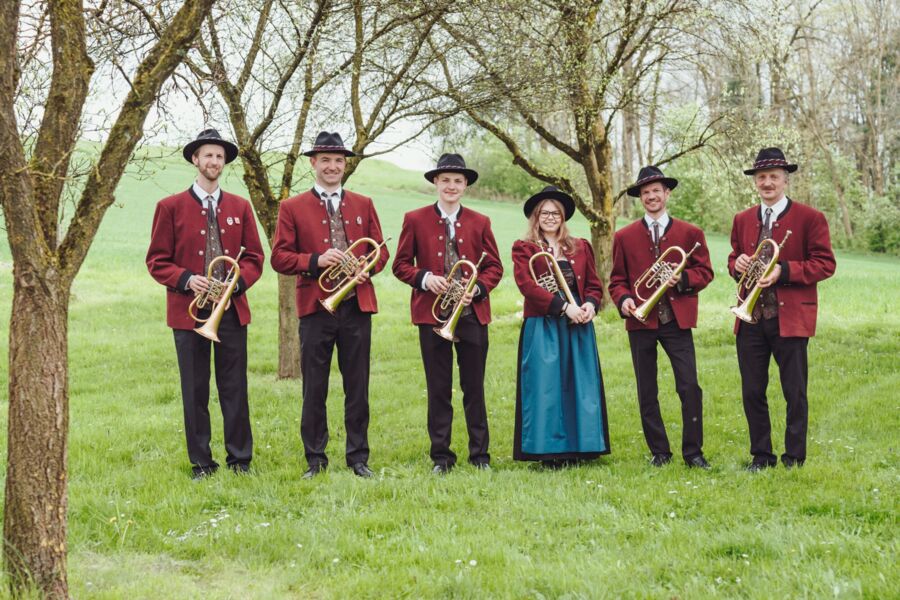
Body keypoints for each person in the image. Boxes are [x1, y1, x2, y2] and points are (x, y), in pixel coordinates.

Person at [146, 128, 264, 480]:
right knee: (194, 390)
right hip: (189, 314)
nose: (213, 161)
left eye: (219, 156)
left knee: (234, 388)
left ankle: (240, 460)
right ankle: (201, 463)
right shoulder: (169, 207)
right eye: (207, 155)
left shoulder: (240, 207)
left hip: (230, 312)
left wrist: (236, 285)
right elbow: (157, 260)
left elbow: (256, 257)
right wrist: (187, 279)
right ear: (195, 160)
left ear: (224, 161)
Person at [270, 131, 389, 479]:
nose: (333, 166)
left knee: (358, 386)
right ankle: (315, 459)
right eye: (326, 160)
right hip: (315, 308)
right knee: (315, 387)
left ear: (344, 165)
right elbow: (279, 256)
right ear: (313, 163)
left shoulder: (363, 203)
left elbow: (379, 252)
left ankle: (358, 458)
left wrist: (365, 268)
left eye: (338, 160)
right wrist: (316, 260)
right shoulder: (291, 207)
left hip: (356, 306)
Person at [392, 153, 503, 474]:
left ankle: (479, 455)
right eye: (445, 180)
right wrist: (426, 278)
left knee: (474, 387)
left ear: (465, 185)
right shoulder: (415, 219)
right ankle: (441, 457)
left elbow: (495, 267)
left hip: (472, 315)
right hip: (432, 316)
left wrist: (478, 288)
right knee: (439, 388)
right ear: (435, 183)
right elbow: (400, 265)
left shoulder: (480, 222)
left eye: (457, 181)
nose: (451, 186)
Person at [728, 147, 836, 471]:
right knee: (752, 391)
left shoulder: (810, 218)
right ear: (755, 182)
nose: (767, 183)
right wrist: (739, 264)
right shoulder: (742, 219)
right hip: (750, 318)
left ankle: (794, 458)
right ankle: (761, 456)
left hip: (790, 319)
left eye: (774, 176)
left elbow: (825, 264)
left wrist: (783, 271)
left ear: (785, 180)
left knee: (794, 392)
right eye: (761, 177)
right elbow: (733, 258)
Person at [609, 166, 714, 469]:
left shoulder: (690, 233)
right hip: (641, 321)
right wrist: (625, 299)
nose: (651, 196)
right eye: (645, 192)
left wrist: (681, 280)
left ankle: (693, 452)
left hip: (676, 321)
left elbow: (705, 272)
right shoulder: (625, 236)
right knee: (647, 389)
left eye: (657, 191)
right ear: (640, 198)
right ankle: (660, 451)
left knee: (689, 387)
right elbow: (616, 280)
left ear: (667, 194)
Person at [511, 186, 609, 467]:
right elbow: (527, 286)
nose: (550, 217)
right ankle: (549, 451)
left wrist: (589, 305)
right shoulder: (524, 248)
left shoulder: (580, 246)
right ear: (536, 216)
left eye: (555, 213)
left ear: (563, 217)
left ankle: (582, 447)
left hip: (578, 323)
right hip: (545, 323)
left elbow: (593, 284)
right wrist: (564, 307)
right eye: (544, 212)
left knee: (580, 385)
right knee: (546, 386)